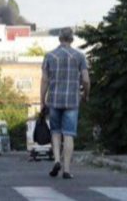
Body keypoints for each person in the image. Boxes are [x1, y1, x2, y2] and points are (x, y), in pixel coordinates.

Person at [40, 27, 90, 179]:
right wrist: (86, 95)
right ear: (72, 39)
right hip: (72, 101)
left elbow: (44, 81)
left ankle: (56, 160)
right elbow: (86, 80)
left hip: (54, 100)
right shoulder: (79, 57)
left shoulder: (49, 56)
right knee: (69, 134)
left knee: (55, 132)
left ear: (59, 38)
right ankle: (67, 169)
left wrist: (42, 101)